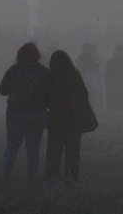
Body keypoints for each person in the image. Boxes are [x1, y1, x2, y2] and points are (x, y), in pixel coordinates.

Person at [0, 43, 50, 181]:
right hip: (37, 114)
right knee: (33, 148)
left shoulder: (14, 70)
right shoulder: (43, 71)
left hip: (15, 114)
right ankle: (30, 177)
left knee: (12, 146)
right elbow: (51, 94)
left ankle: (6, 175)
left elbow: (2, 91)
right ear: (37, 55)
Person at [45, 50, 89, 182]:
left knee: (54, 149)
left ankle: (52, 176)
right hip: (73, 119)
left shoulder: (50, 76)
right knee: (73, 150)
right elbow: (84, 94)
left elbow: (45, 98)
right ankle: (72, 176)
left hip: (55, 119)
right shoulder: (74, 75)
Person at [76, 43, 104, 115]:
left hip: (92, 83)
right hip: (83, 81)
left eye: (89, 49)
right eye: (86, 48)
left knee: (92, 98)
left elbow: (99, 64)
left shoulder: (93, 57)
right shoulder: (80, 57)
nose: (88, 50)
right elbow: (79, 67)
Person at [104, 44, 123, 116]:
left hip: (122, 86)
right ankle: (112, 118)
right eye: (118, 51)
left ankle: (122, 118)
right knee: (112, 104)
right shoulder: (110, 62)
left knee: (122, 104)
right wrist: (109, 84)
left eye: (121, 52)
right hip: (112, 87)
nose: (119, 53)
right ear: (115, 52)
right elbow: (106, 75)